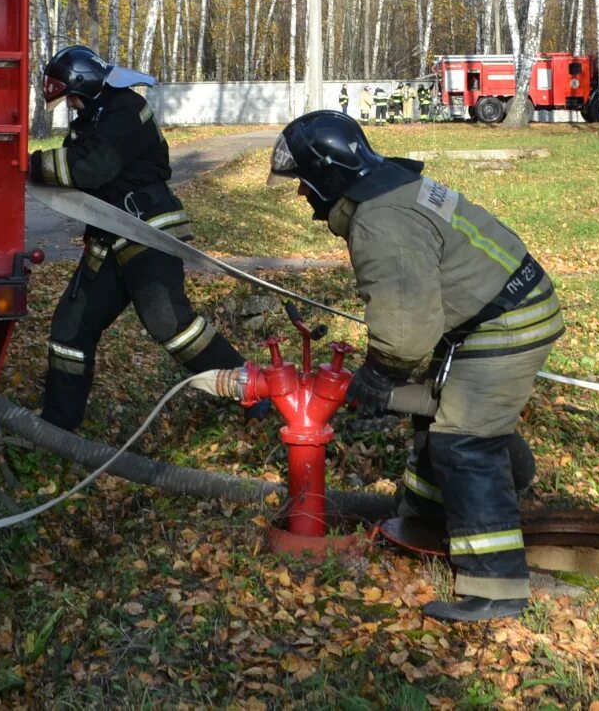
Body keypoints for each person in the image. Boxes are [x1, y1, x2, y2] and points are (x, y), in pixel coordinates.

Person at [270, 111, 563, 624]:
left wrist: (380, 378)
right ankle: (426, 523)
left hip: (504, 325)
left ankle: (496, 589)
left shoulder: (381, 222)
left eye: (303, 185)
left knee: (464, 442)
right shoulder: (393, 190)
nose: (302, 197)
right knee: (435, 422)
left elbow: (406, 329)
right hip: (495, 311)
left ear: (325, 178)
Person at [29, 45, 259, 429]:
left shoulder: (124, 110)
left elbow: (89, 169)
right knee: (71, 326)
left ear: (84, 84)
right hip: (109, 233)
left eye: (70, 97)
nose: (70, 106)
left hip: (146, 229)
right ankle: (58, 426)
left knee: (171, 325)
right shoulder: (92, 116)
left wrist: (28, 163)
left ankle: (253, 392)